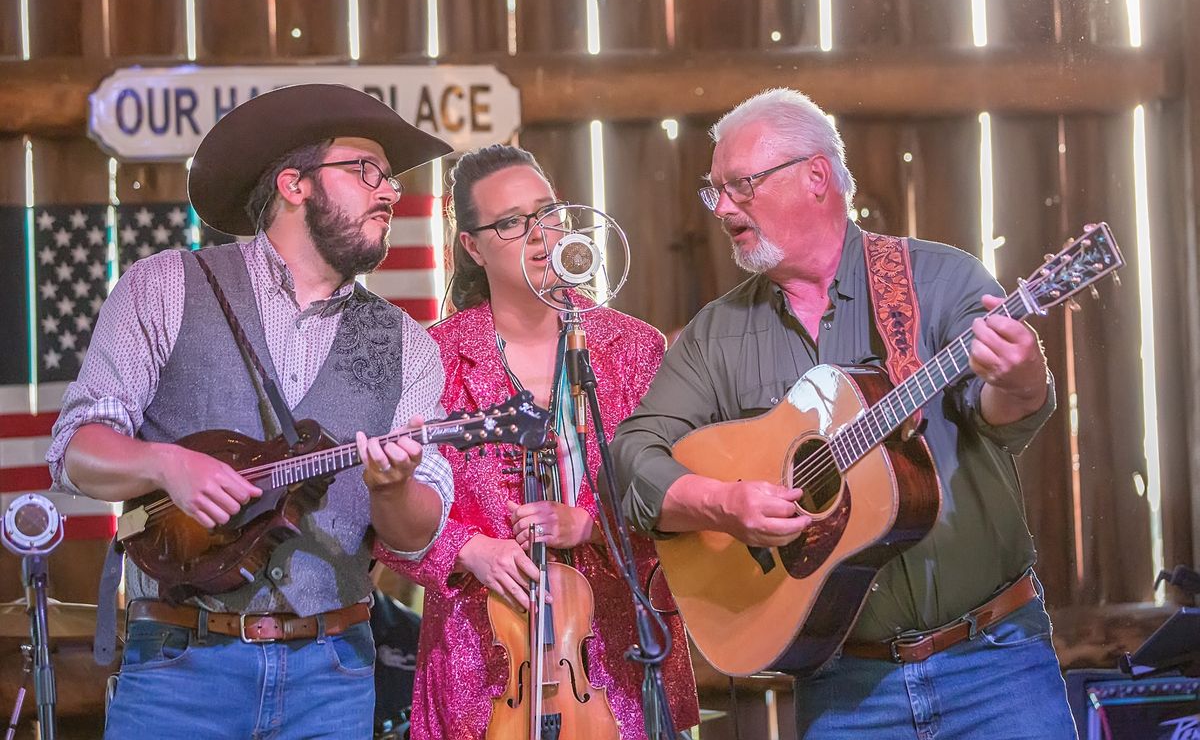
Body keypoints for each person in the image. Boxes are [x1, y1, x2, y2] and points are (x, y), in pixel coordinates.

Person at [612, 88, 1078, 738]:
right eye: (713, 190)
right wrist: (723, 503)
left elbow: (1004, 415)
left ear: (816, 176)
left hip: (995, 662)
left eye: (739, 185)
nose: (722, 208)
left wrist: (1022, 377)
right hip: (845, 687)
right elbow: (632, 462)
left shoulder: (939, 280)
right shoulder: (716, 338)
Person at [46, 84, 456, 739]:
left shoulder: (408, 345)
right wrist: (165, 463)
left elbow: (415, 536)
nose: (390, 192)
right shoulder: (164, 286)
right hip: (178, 669)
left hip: (334, 673)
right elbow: (75, 452)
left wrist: (394, 486)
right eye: (366, 172)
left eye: (391, 180)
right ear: (295, 184)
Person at [376, 144, 699, 739]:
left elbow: (686, 497)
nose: (539, 235)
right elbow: (382, 520)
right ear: (472, 246)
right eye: (511, 223)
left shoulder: (636, 347)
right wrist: (465, 548)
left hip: (622, 667)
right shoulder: (431, 358)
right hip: (482, 669)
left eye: (548, 213)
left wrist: (593, 526)